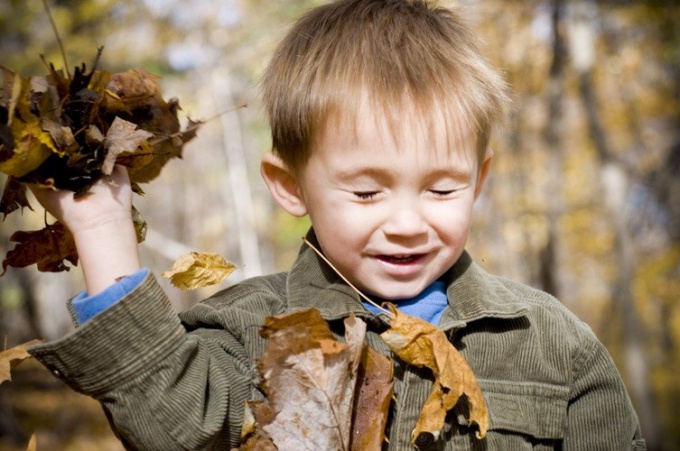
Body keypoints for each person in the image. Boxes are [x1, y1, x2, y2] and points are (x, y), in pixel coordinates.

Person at [28, 0, 645, 449]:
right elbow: (173, 423)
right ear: (291, 187)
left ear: (478, 183)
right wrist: (104, 229)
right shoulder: (246, 328)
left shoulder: (552, 343)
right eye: (367, 191)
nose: (408, 223)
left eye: (442, 188)